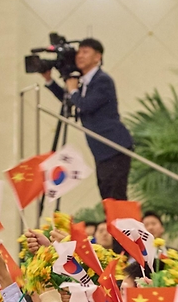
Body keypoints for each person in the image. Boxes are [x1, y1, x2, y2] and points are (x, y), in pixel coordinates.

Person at [42, 38, 133, 200]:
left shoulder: (102, 80)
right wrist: (49, 80)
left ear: (97, 57)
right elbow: (68, 99)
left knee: (115, 197)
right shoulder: (83, 82)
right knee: (107, 196)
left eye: (85, 52)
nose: (80, 56)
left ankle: (124, 225)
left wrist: (73, 90)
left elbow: (85, 105)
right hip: (101, 151)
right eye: (79, 52)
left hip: (114, 146)